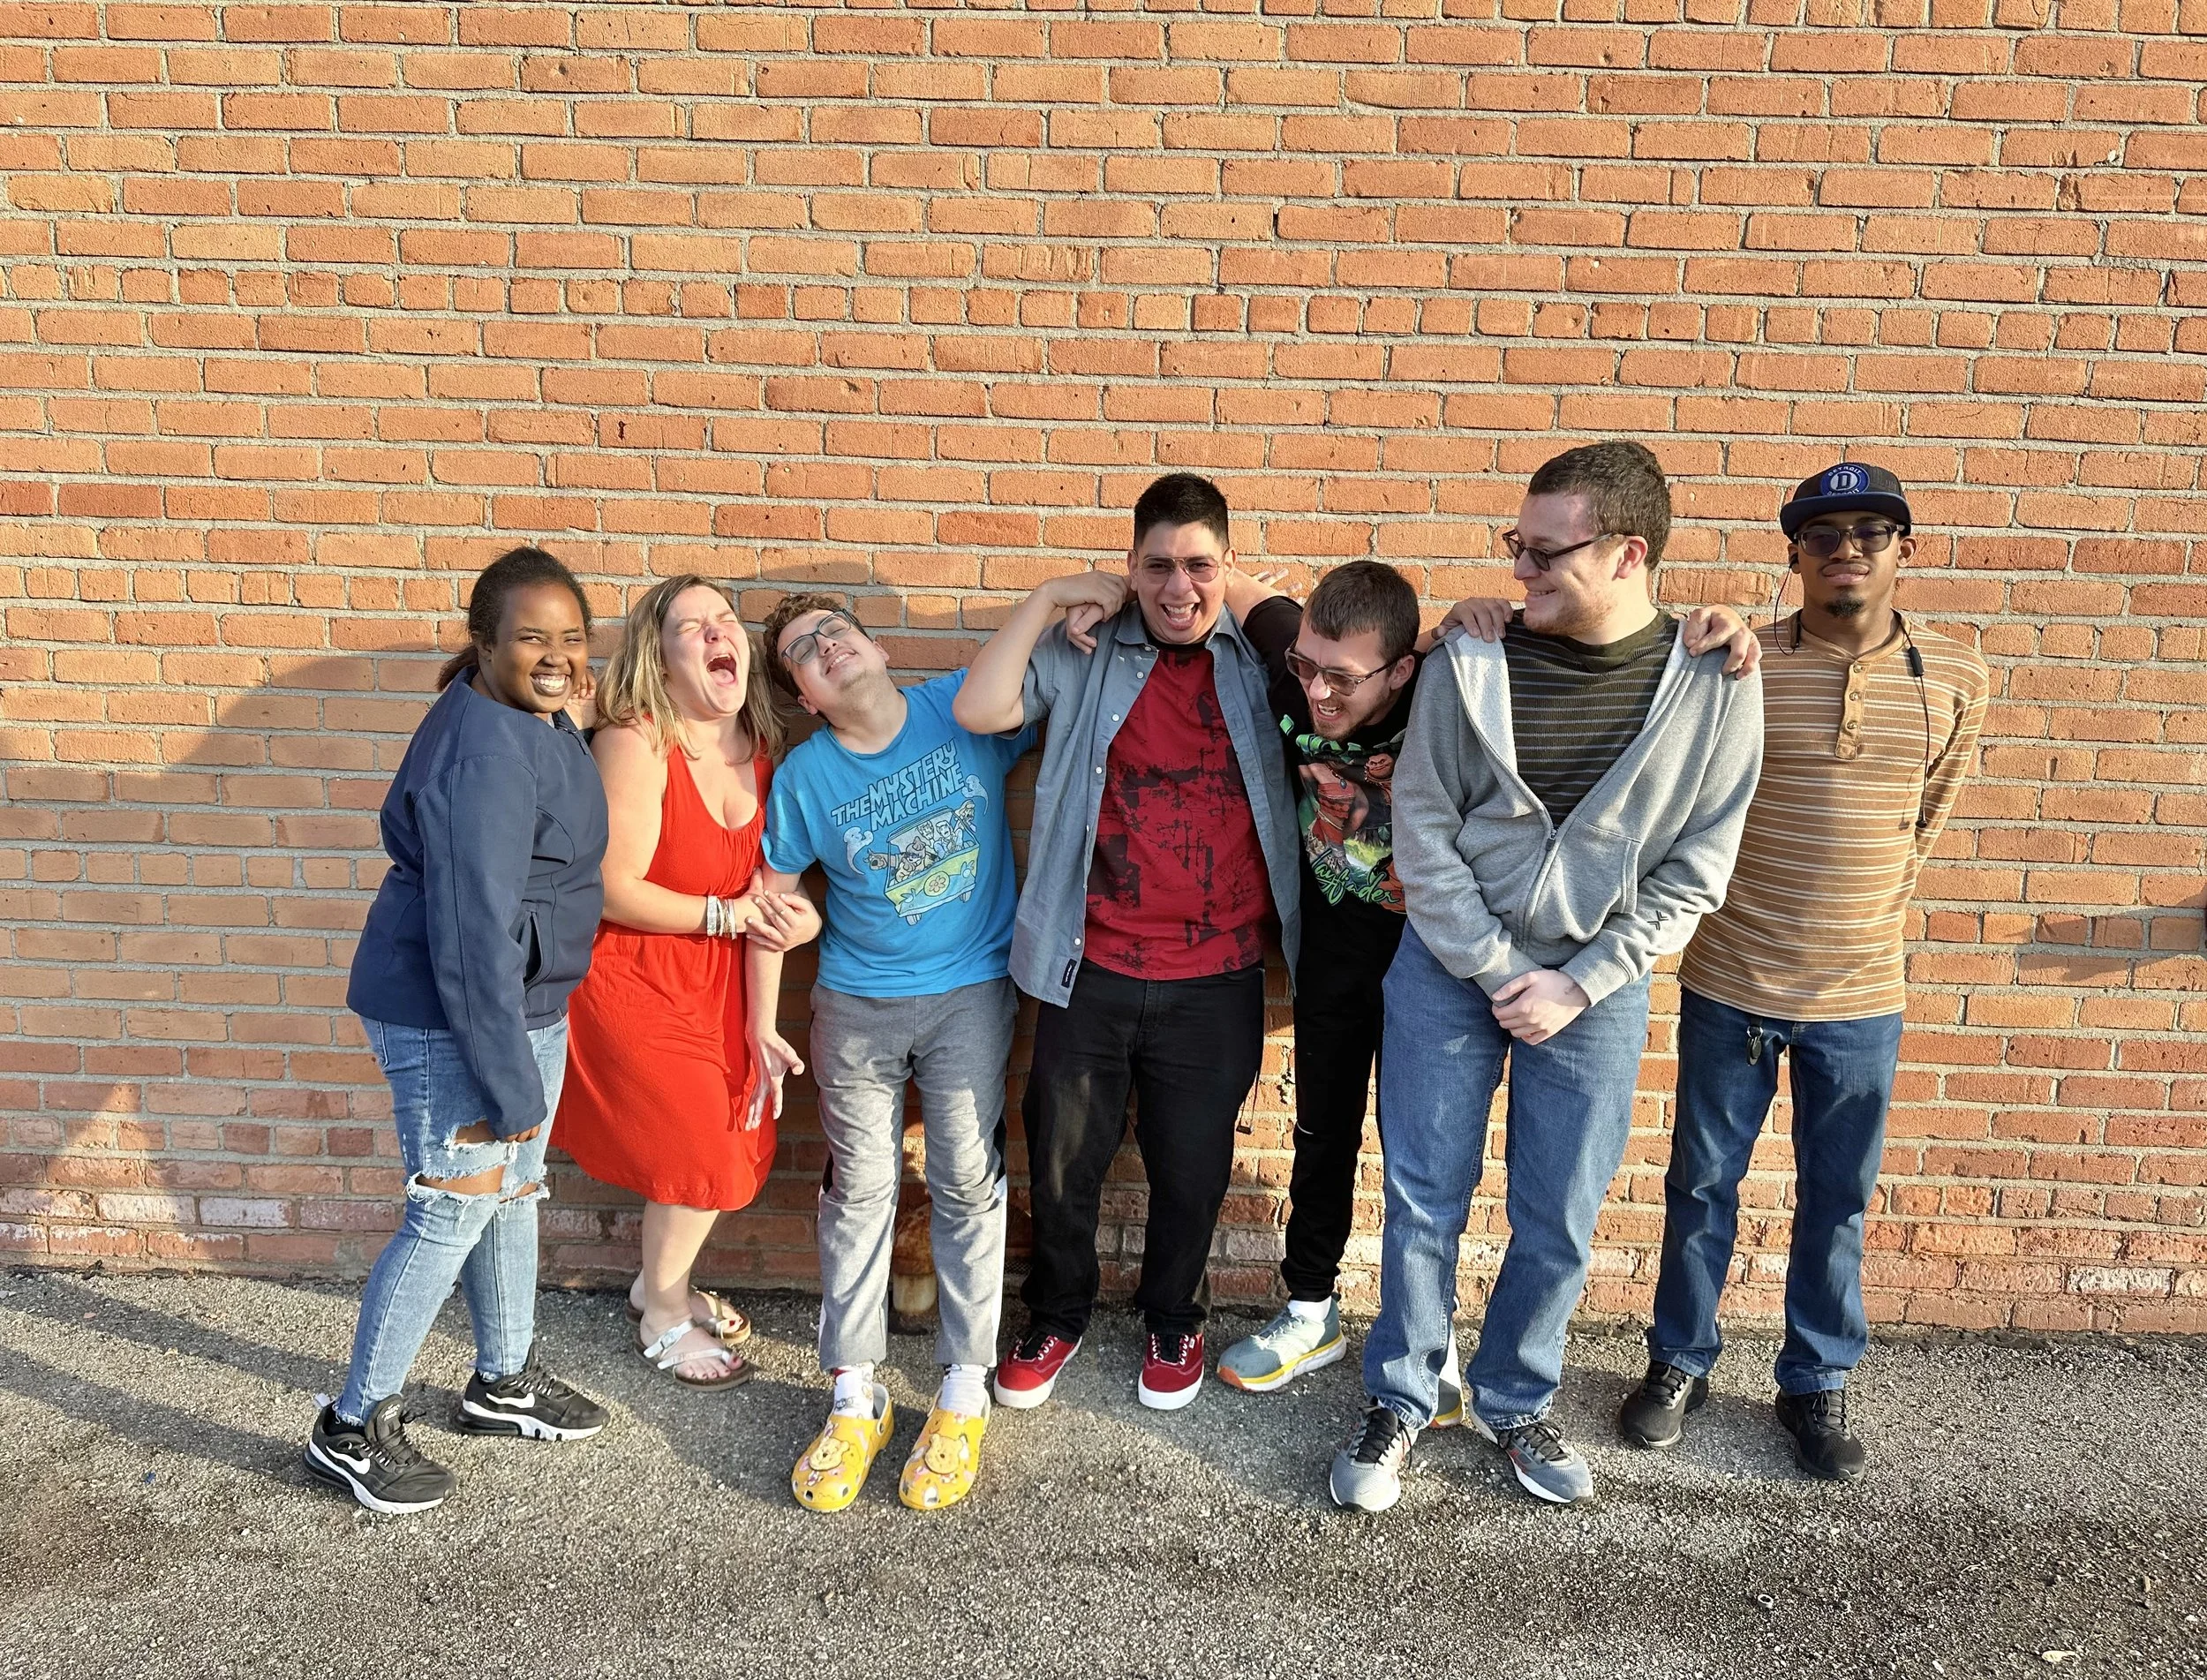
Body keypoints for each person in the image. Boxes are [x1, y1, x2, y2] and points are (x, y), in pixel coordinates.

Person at [1329, 441, 1765, 1512]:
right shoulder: (1468, 657)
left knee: (1559, 1210)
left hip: (1596, 989)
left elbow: (1697, 864)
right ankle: (1403, 1392)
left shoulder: (1714, 680)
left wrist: (1581, 979)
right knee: (1422, 1196)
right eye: (1514, 548)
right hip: (1446, 969)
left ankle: (1515, 1395)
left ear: (1627, 552)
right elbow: (1421, 827)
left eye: (1541, 551)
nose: (1519, 570)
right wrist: (1488, 965)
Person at [1213, 565, 1760, 1402]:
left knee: (1437, 1162)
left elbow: (1528, 639)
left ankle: (1452, 1356)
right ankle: (1311, 1306)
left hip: (1437, 953)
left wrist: (1726, 624)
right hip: (1333, 947)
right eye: (1306, 669)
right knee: (1327, 1129)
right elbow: (1231, 581)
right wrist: (1091, 591)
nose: (1318, 691)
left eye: (1344, 678)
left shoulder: (1443, 676)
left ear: (1399, 668)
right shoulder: (1315, 652)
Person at [1619, 461, 1988, 1481]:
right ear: (1794, 557)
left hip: (1861, 994)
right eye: (1821, 535)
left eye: (1871, 531)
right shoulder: (1740, 663)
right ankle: (1677, 1362)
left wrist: (1860, 916)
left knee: (1838, 1196)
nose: (1846, 550)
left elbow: (1927, 820)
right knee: (1700, 1184)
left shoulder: (1954, 676)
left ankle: (1815, 1379)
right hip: (1731, 976)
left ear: (1904, 550)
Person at [953, 472, 1303, 1414]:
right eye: (1156, 566)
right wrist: (1047, 599)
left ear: (1227, 568)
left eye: (1199, 566)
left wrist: (1254, 600)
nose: (1178, 588)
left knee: (1192, 1170)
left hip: (1217, 973)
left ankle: (1171, 1316)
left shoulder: (1265, 660)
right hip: (1088, 964)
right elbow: (982, 712)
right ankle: (1058, 1311)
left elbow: (1368, 663)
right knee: (1063, 1161)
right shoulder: (1085, 648)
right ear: (1129, 567)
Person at [307, 546, 612, 1515]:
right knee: (453, 1206)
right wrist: (510, 1080)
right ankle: (351, 1426)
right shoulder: (484, 749)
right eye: (532, 637)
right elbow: (471, 933)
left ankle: (503, 1379)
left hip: (520, 1002)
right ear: (484, 643)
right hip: (458, 1013)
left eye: (571, 636)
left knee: (511, 1195)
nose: (555, 654)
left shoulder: (532, 716)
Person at [756, 593, 1036, 1513]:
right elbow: (769, 903)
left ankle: (962, 1385)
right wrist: (764, 1023)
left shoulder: (957, 711)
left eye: (835, 629)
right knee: (862, 1188)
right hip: (855, 1004)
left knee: (962, 1176)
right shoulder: (805, 777)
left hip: (968, 992)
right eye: (803, 649)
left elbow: (1053, 685)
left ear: (873, 646)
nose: (826, 646)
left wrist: (1065, 601)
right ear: (800, 694)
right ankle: (855, 1393)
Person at [554, 576, 818, 1390]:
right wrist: (726, 919)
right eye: (689, 626)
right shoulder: (636, 742)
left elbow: (779, 892)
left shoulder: (771, 754)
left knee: (738, 1133)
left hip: (726, 983)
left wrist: (796, 922)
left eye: (724, 620)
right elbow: (613, 885)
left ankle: (654, 1279)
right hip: (630, 973)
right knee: (700, 1141)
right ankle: (664, 1309)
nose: (715, 633)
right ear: (660, 658)